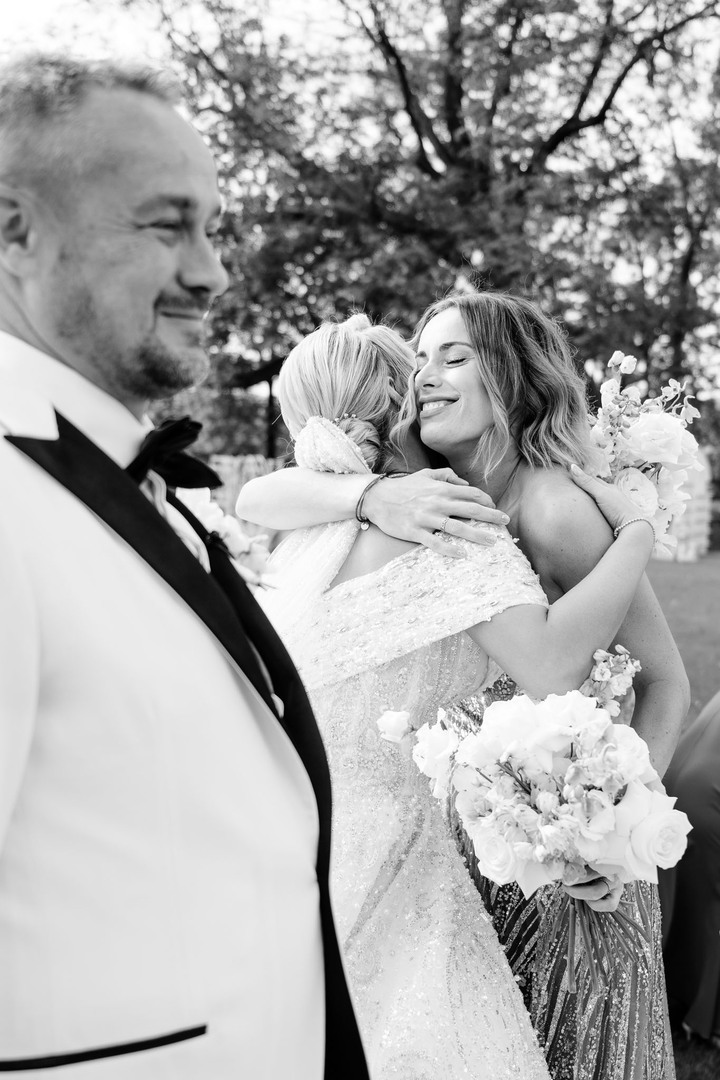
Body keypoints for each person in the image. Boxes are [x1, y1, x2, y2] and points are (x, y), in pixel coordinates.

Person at [0, 53, 370, 1079]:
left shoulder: (117, 470)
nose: (210, 271)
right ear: (14, 230)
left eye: (212, 228)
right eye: (166, 225)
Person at [239, 293, 689, 1080]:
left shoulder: (551, 508)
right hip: (466, 829)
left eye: (453, 358)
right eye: (420, 363)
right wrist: (370, 491)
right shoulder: (417, 498)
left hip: (570, 846)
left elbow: (665, 682)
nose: (426, 380)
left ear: (509, 378)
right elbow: (257, 495)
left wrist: (614, 832)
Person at [660, 689, 720, 1047]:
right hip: (708, 800)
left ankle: (678, 993)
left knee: (688, 897)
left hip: (679, 783)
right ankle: (705, 1022)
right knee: (710, 908)